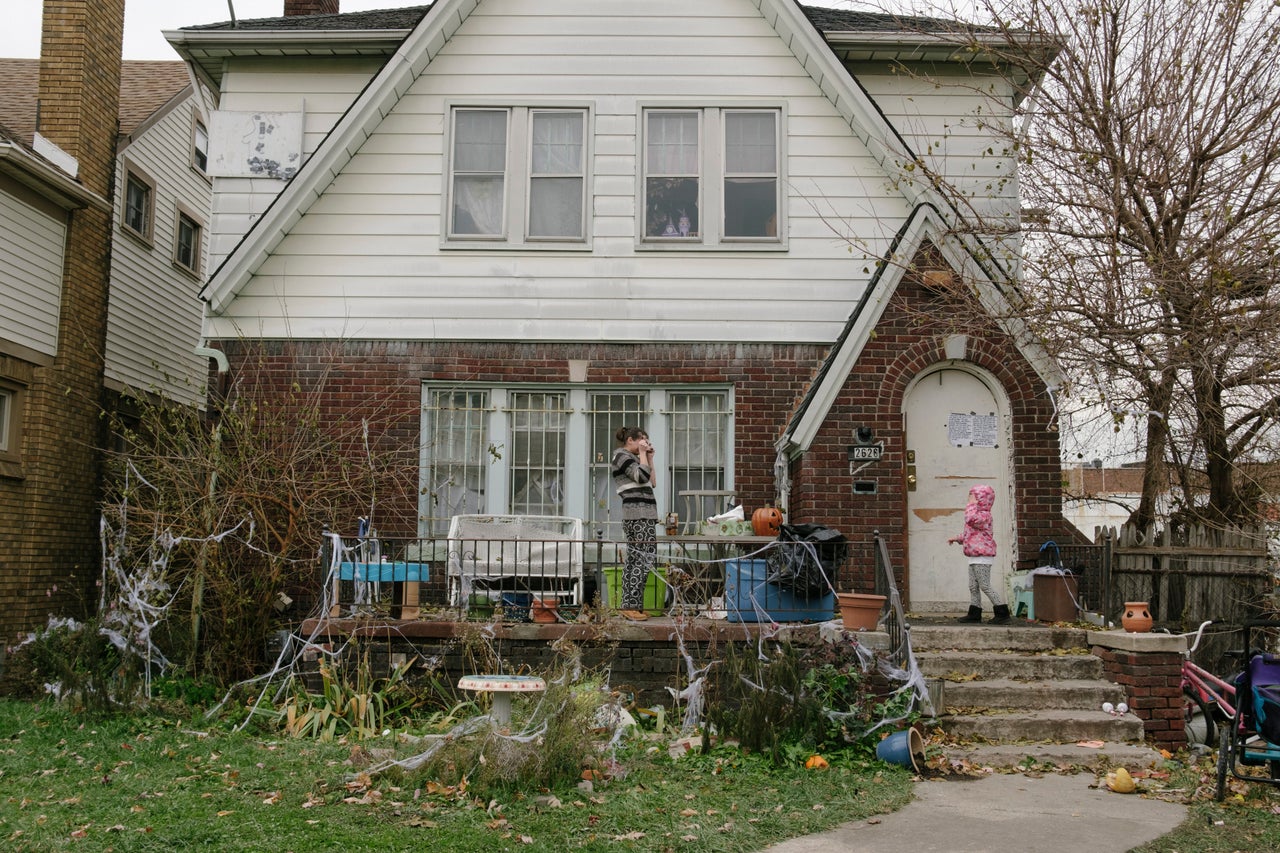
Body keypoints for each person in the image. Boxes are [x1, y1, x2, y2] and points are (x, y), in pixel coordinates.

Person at [611, 426, 658, 621]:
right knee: (641, 559)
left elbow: (652, 482)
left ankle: (633, 605)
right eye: (642, 440)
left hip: (643, 514)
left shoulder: (636, 459)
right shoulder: (621, 457)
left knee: (638, 559)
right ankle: (629, 605)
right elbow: (641, 476)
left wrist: (649, 458)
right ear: (630, 440)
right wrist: (641, 454)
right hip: (638, 515)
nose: (645, 444)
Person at [948, 484, 1010, 624]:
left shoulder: (984, 516)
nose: (969, 500)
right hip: (974, 556)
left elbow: (970, 519)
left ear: (981, 499)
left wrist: (971, 505)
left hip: (983, 557)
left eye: (972, 497)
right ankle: (974, 613)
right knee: (973, 586)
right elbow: (970, 534)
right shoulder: (976, 514)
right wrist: (957, 538)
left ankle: (1002, 612)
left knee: (984, 585)